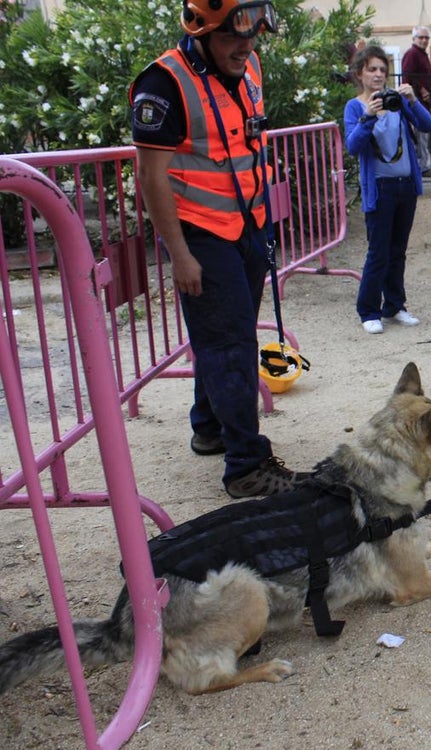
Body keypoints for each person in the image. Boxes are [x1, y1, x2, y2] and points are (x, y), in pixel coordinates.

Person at [130, 0, 307, 499]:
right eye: (231, 37)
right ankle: (246, 466)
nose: (245, 46)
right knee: (229, 345)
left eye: (250, 36)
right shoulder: (163, 83)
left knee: (231, 335)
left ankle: (209, 427)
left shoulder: (248, 66)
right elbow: (151, 176)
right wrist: (179, 253)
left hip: (248, 226)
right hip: (201, 234)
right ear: (202, 33)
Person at [343, 45, 431, 334]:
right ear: (360, 73)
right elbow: (353, 146)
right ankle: (368, 310)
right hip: (380, 190)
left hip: (405, 186)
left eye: (382, 69)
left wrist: (412, 101)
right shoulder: (356, 107)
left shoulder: (395, 101)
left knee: (398, 251)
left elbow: (428, 125)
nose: (378, 75)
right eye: (372, 69)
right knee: (379, 252)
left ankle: (394, 306)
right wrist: (369, 116)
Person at [401, 25, 431, 178]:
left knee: (424, 136)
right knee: (421, 136)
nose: (424, 40)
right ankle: (422, 167)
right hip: (417, 103)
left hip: (423, 103)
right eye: (421, 37)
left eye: (426, 37)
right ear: (414, 39)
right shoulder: (412, 54)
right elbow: (407, 76)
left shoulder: (421, 54)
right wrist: (421, 90)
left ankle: (422, 166)